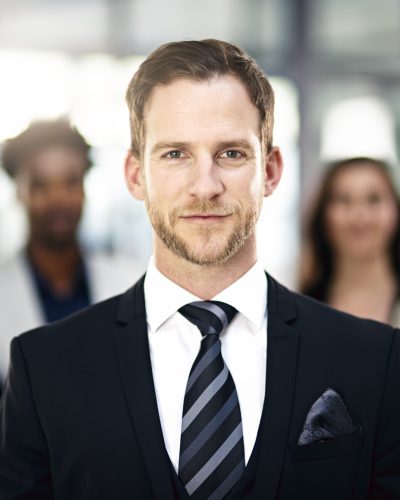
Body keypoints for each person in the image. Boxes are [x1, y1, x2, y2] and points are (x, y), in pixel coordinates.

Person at [0, 40, 399, 500]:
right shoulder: (43, 368)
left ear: (270, 171)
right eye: (175, 154)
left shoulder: (377, 360)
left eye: (230, 153)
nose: (204, 186)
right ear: (135, 175)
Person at [0, 119, 143, 387]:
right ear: (19, 192)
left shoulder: (130, 283)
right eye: (41, 185)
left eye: (70, 182)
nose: (58, 198)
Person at [300, 157, 400, 325]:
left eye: (373, 199)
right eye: (343, 200)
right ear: (323, 216)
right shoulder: (298, 311)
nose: (359, 215)